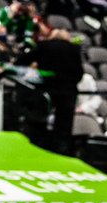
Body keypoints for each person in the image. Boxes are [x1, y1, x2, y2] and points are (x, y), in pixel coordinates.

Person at [31, 27, 84, 155]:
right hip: (68, 91)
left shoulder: (44, 46)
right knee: (63, 127)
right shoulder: (74, 49)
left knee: (40, 120)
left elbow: (23, 61)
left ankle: (38, 148)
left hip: (47, 89)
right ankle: (61, 152)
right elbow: (79, 73)